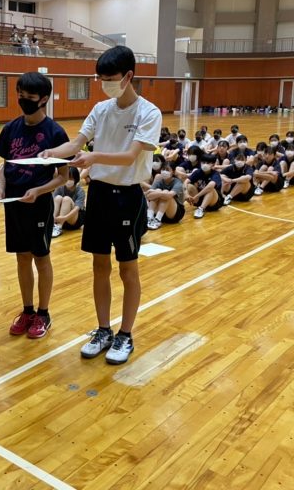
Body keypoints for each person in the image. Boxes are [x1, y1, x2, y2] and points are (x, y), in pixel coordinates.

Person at [40, 46, 162, 364]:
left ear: (128, 77)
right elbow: (76, 144)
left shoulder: (148, 113)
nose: (104, 84)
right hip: (99, 195)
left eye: (109, 78)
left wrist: (93, 157)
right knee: (99, 266)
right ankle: (104, 329)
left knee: (127, 268)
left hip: (127, 197)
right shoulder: (101, 109)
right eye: (100, 79)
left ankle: (126, 335)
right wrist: (53, 152)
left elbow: (130, 156)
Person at [0, 72, 69, 340]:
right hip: (13, 203)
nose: (23, 100)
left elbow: (63, 177)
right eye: (20, 95)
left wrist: (39, 190)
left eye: (29, 97)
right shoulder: (10, 128)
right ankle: (27, 311)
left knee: (40, 257)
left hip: (39, 204)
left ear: (44, 99)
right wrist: (1, 184)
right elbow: (4, 165)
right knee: (22, 257)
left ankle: (43, 313)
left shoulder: (55, 133)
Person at [146, 160, 185, 229]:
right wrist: (159, 193)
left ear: (173, 172)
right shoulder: (159, 181)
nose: (164, 171)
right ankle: (150, 217)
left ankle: (157, 219)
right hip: (161, 212)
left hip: (175, 213)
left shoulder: (178, 182)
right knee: (159, 191)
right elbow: (148, 196)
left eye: (167, 170)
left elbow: (169, 195)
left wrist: (158, 193)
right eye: (163, 169)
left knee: (165, 192)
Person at [52, 167, 86, 237]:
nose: (68, 181)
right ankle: (52, 225)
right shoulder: (60, 188)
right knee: (58, 198)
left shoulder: (80, 191)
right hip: (59, 218)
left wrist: (64, 218)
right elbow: (52, 203)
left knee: (66, 199)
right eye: (67, 178)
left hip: (74, 220)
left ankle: (59, 227)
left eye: (71, 179)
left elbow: (77, 209)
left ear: (76, 179)